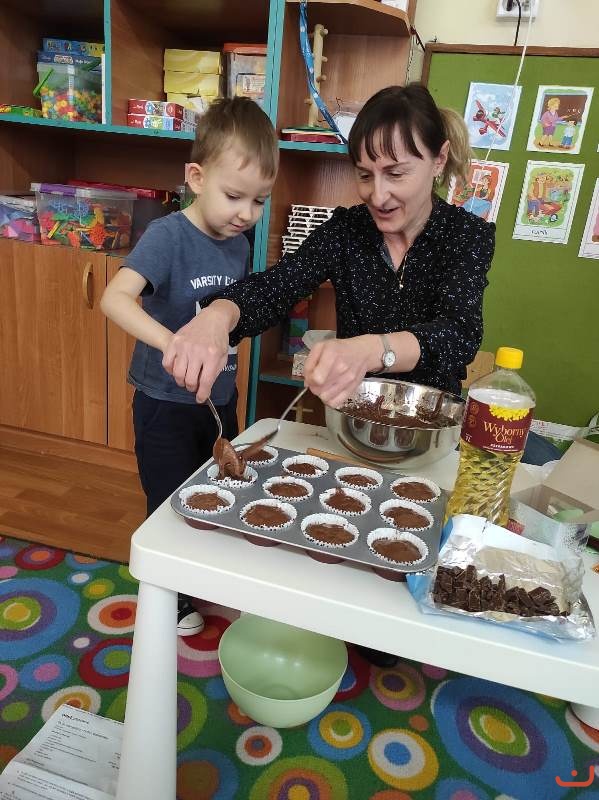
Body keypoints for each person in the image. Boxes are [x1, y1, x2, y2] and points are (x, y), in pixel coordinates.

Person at [160, 84, 496, 666]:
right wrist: (220, 316)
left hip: (428, 442)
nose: (378, 194)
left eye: (397, 173)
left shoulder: (466, 237)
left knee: (389, 636)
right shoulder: (346, 231)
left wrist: (371, 349)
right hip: (351, 429)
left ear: (439, 160)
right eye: (365, 175)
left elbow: (459, 333)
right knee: (330, 577)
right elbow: (277, 285)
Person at [100, 97, 279, 636]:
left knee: (218, 490)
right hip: (164, 404)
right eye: (234, 196)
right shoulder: (167, 236)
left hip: (219, 399)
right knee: (167, 501)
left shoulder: (239, 243)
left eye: (259, 201)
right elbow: (114, 299)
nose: (246, 213)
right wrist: (171, 342)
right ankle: (168, 597)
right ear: (196, 178)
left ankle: (202, 573)